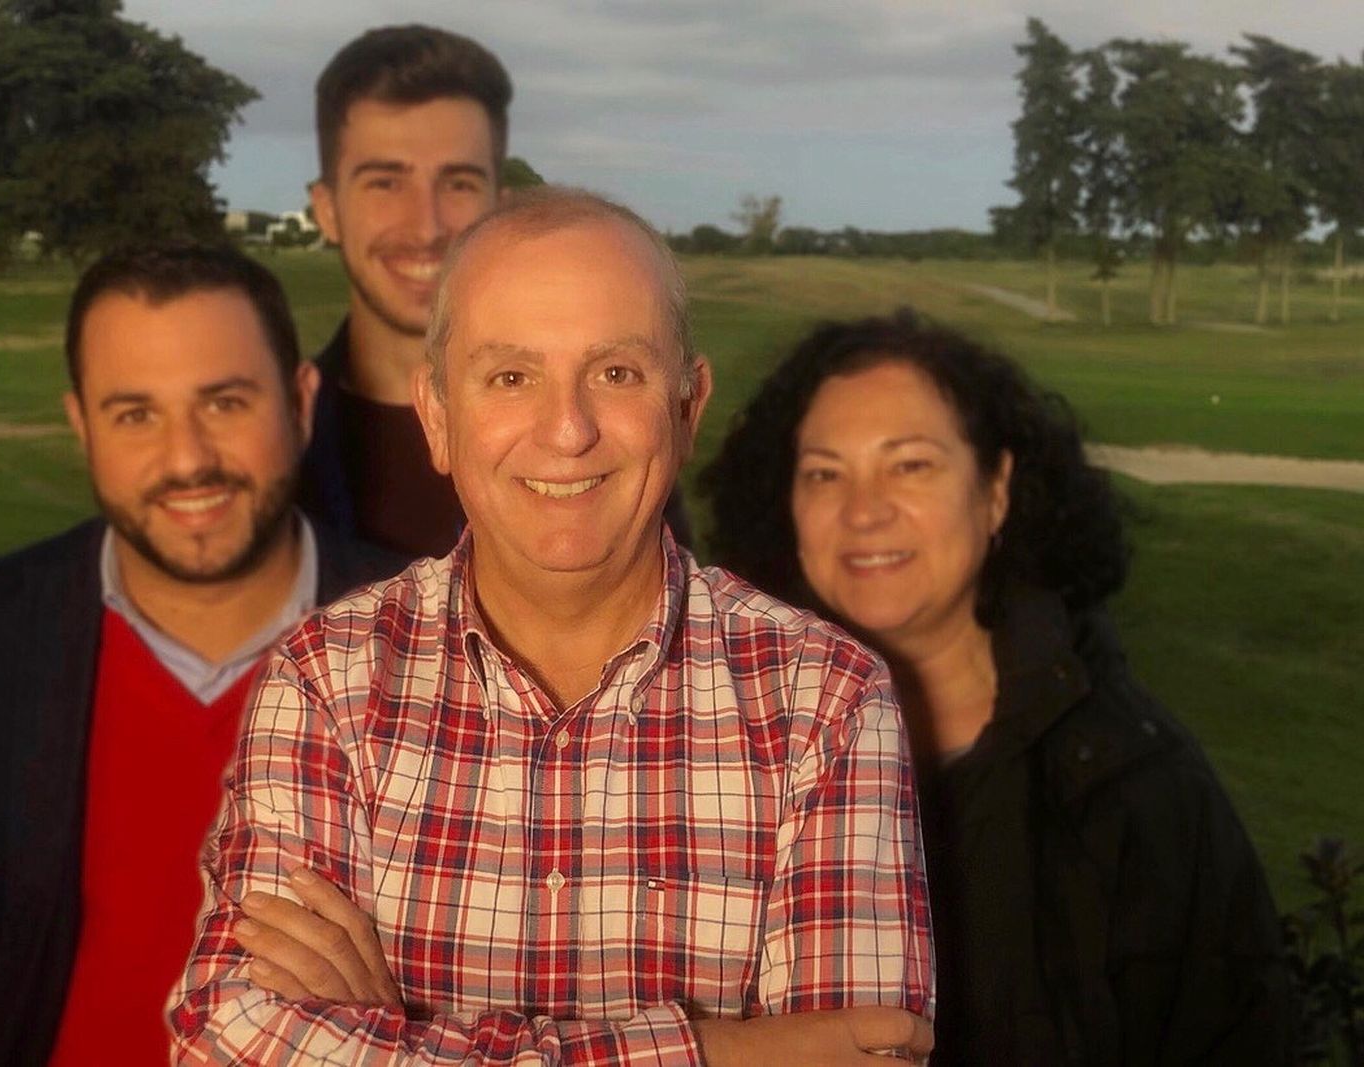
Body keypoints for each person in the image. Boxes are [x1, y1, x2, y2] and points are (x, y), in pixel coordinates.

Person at [170, 190, 935, 1064]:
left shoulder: (828, 699)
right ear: (437, 416)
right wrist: (720, 1051)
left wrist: (395, 1034)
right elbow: (228, 1040)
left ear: (686, 408)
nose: (567, 430)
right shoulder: (326, 677)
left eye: (616, 373)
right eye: (510, 377)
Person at [0, 243, 401, 1065]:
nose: (186, 459)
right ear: (83, 426)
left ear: (299, 400)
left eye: (224, 402)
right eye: (135, 414)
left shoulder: (435, 643)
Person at [701, 310, 1291, 1063]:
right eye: (824, 472)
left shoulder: (1137, 786)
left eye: (910, 464)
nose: (864, 509)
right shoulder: (717, 756)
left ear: (997, 490)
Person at [299, 24, 691, 557]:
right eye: (385, 183)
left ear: (498, 205)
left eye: (458, 183)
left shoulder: (618, 452)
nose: (426, 226)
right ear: (327, 209)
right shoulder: (265, 450)